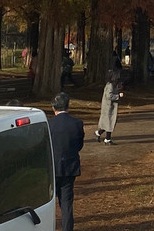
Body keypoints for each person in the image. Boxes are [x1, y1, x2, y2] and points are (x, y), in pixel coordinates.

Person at [48, 92, 84, 231]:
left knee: (49, 203)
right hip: (70, 167)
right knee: (67, 203)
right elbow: (79, 145)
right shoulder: (77, 123)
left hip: (52, 168)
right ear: (68, 106)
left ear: (53, 107)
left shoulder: (49, 124)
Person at [96, 69, 123, 144]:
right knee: (109, 121)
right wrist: (118, 96)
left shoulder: (112, 85)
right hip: (108, 107)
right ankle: (107, 138)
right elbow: (109, 96)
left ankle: (100, 133)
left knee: (109, 122)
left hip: (110, 106)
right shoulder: (110, 85)